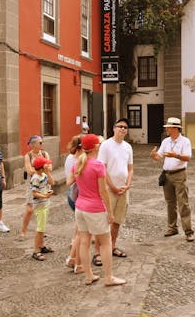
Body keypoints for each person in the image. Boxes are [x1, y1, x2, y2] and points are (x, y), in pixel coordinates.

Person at [67, 134, 126, 286]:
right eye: (98, 144)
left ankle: (89, 276)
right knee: (106, 243)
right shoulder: (98, 165)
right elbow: (103, 191)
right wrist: (110, 212)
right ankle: (109, 277)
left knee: (84, 242)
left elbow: (72, 182)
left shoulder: (78, 163)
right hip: (95, 208)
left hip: (80, 207)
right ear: (95, 147)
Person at [93, 118, 134, 265]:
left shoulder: (128, 147)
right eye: (120, 126)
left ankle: (112, 247)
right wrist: (113, 187)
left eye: (125, 127)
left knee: (117, 221)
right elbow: (102, 169)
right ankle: (97, 252)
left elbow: (130, 169)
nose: (123, 129)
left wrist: (127, 185)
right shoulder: (106, 145)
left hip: (123, 189)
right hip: (109, 189)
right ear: (113, 128)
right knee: (103, 222)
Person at [149, 117, 195, 242]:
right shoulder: (166, 141)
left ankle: (188, 231)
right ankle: (172, 227)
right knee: (170, 203)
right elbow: (160, 157)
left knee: (183, 203)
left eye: (169, 127)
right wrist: (154, 155)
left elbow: (188, 158)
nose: (167, 129)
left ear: (175, 128)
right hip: (167, 175)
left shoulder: (185, 141)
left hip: (179, 174)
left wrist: (176, 155)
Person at [21, 135, 51, 239]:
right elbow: (29, 171)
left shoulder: (44, 154)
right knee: (29, 210)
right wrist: (43, 169)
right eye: (40, 143)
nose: (42, 144)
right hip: (32, 184)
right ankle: (23, 231)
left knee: (42, 208)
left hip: (43, 184)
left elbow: (50, 168)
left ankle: (40, 231)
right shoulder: (28, 156)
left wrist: (38, 169)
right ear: (33, 144)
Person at [63, 135, 84, 273]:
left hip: (71, 194)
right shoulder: (79, 159)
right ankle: (75, 261)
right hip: (77, 194)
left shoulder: (70, 157)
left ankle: (72, 245)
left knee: (79, 224)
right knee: (83, 230)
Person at [29, 156, 55, 261]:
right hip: (40, 205)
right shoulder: (35, 178)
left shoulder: (43, 174)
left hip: (45, 204)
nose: (48, 166)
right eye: (46, 165)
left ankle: (41, 246)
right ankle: (36, 250)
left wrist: (48, 172)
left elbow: (52, 183)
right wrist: (45, 196)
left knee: (42, 227)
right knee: (40, 229)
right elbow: (34, 193)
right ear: (41, 167)